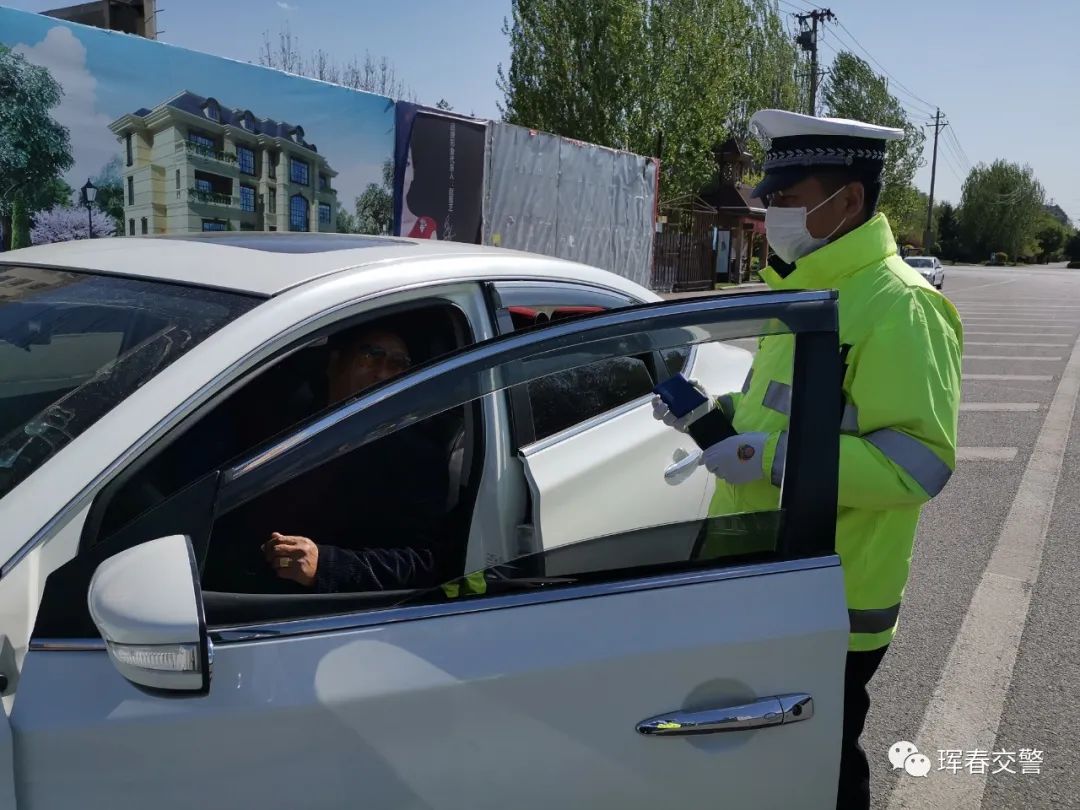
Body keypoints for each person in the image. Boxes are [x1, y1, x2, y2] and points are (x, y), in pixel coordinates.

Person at [653, 109, 963, 809]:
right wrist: (711, 420)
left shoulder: (900, 307)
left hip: (832, 598)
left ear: (848, 200)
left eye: (787, 200)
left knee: (819, 774)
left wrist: (770, 460)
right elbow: (779, 418)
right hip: (773, 576)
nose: (769, 215)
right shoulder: (808, 290)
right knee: (773, 764)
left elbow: (918, 466)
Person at [258, 326, 454, 593]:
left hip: (331, 613)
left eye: (397, 364)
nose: (382, 373)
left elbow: (425, 564)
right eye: (371, 356)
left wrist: (326, 566)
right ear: (335, 363)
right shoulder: (286, 427)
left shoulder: (414, 457)